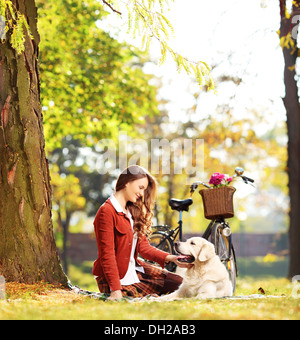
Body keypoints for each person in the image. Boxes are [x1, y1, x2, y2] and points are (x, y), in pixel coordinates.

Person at [93, 165, 192, 300]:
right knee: (140, 300)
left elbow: (143, 248)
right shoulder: (107, 211)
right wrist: (115, 290)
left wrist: (171, 258)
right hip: (115, 279)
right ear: (127, 182)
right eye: (141, 188)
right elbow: (107, 255)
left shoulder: (131, 211)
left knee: (179, 283)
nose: (142, 194)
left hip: (135, 270)